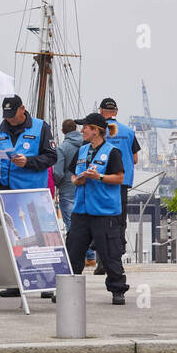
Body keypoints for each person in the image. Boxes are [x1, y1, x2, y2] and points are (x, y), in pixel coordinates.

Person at [0, 95, 57, 299]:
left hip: (31, 193)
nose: (10, 120)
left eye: (13, 115)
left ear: (22, 109)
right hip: (6, 192)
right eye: (6, 116)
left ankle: (45, 282)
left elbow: (52, 157)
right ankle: (15, 282)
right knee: (13, 239)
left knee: (40, 239)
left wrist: (29, 162)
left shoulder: (41, 128)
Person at [65, 112, 129, 304]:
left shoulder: (112, 152)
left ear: (96, 131)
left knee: (110, 254)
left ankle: (118, 289)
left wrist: (98, 177)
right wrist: (80, 179)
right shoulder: (82, 151)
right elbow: (73, 177)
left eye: (85, 127)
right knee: (73, 251)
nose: (82, 130)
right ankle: (67, 288)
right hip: (81, 210)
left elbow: (119, 178)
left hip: (104, 212)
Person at [97, 97, 141, 275]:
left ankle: (101, 263)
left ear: (101, 111)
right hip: (122, 182)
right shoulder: (129, 132)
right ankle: (117, 261)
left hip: (101, 181)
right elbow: (135, 159)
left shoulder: (98, 131)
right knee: (119, 222)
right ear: (116, 112)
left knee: (100, 219)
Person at [53, 119, 83, 233]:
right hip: (84, 189)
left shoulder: (62, 148)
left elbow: (58, 173)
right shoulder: (87, 145)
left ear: (62, 131)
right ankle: (87, 249)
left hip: (67, 189)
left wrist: (56, 183)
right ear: (76, 129)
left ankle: (81, 250)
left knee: (71, 225)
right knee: (84, 225)